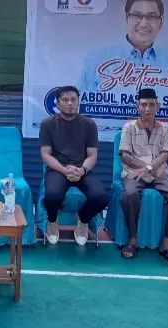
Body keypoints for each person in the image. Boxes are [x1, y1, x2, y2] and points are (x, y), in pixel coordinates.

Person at [119, 88, 168, 264]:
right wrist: (146, 168)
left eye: (151, 105)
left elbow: (165, 154)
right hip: (134, 173)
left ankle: (167, 243)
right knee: (130, 195)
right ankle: (133, 239)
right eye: (143, 105)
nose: (147, 109)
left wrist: (149, 168)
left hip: (158, 174)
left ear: (158, 106)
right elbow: (126, 156)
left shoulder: (165, 129)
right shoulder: (129, 127)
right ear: (138, 107)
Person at [40, 85, 110, 245]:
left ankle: (83, 219)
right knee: (51, 196)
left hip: (82, 169)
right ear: (57, 103)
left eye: (73, 100)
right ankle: (52, 220)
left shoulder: (89, 124)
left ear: (78, 102)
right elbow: (46, 154)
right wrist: (65, 171)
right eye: (65, 100)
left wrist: (82, 170)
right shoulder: (47, 124)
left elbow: (92, 155)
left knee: (101, 198)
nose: (70, 103)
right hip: (57, 169)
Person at [79, 0, 168, 93]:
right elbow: (83, 99)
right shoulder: (98, 59)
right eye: (137, 16)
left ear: (161, 23)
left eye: (151, 17)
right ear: (126, 18)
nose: (143, 24)